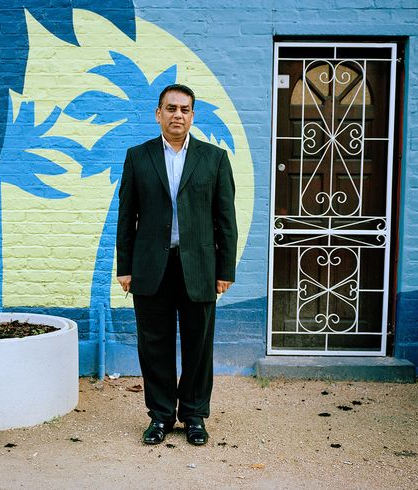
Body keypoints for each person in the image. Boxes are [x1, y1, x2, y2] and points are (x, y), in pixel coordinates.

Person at [116, 83, 237, 446]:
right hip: (151, 266)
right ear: (158, 114)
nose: (177, 115)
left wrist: (225, 270)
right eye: (171, 108)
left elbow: (225, 219)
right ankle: (161, 416)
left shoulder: (214, 158)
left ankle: (195, 416)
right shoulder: (138, 157)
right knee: (154, 345)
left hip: (199, 267)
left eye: (184, 109)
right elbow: (126, 216)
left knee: (198, 346)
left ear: (192, 116)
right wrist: (125, 267)